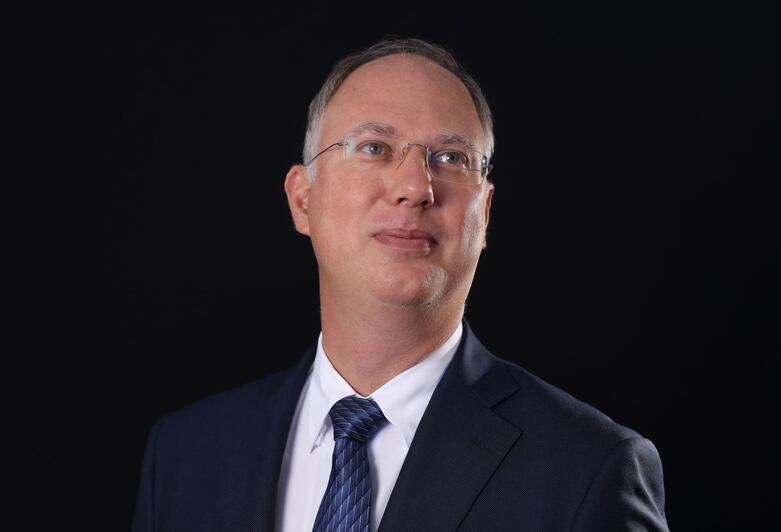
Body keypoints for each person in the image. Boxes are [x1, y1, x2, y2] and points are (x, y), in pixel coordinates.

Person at [132, 38, 668, 531]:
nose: (415, 187)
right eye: (373, 148)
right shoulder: (185, 455)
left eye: (451, 159)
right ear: (302, 200)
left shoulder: (591, 468)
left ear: (485, 212)